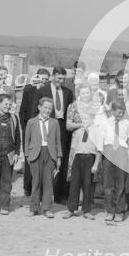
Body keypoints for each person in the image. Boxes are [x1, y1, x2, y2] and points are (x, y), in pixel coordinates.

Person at [34, 67, 74, 203]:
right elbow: (36, 110)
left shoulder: (68, 92)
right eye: (59, 78)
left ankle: (60, 194)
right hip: (47, 124)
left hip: (62, 126)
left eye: (63, 79)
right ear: (53, 76)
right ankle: (40, 195)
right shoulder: (42, 91)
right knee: (45, 159)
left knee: (61, 159)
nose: (61, 81)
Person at [97, 100, 129, 225]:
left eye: (122, 113)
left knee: (121, 184)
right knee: (108, 185)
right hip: (108, 152)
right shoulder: (105, 123)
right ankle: (110, 210)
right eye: (118, 112)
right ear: (112, 111)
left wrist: (127, 150)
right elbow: (100, 141)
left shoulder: (127, 123)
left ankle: (119, 211)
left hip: (122, 153)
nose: (120, 115)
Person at [24, 97, 62, 218]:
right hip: (35, 153)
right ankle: (34, 207)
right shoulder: (31, 122)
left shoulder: (55, 123)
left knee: (48, 182)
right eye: (45, 107)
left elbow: (58, 142)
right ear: (39, 107)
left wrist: (59, 157)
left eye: (49, 108)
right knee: (36, 182)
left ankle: (46, 208)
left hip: (50, 154)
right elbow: (27, 140)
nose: (47, 110)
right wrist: (27, 155)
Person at [62, 108, 100, 220]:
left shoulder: (97, 132)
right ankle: (71, 209)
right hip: (77, 159)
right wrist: (71, 164)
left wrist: (96, 164)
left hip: (90, 158)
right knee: (74, 184)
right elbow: (73, 149)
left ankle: (86, 210)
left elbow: (99, 150)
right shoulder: (78, 132)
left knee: (87, 184)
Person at [19, 68, 50, 197]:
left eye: (46, 79)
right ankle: (28, 186)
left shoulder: (49, 92)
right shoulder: (29, 89)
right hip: (30, 128)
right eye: (41, 78)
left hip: (44, 129)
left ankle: (41, 188)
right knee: (29, 158)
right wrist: (25, 128)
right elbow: (23, 111)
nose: (43, 81)